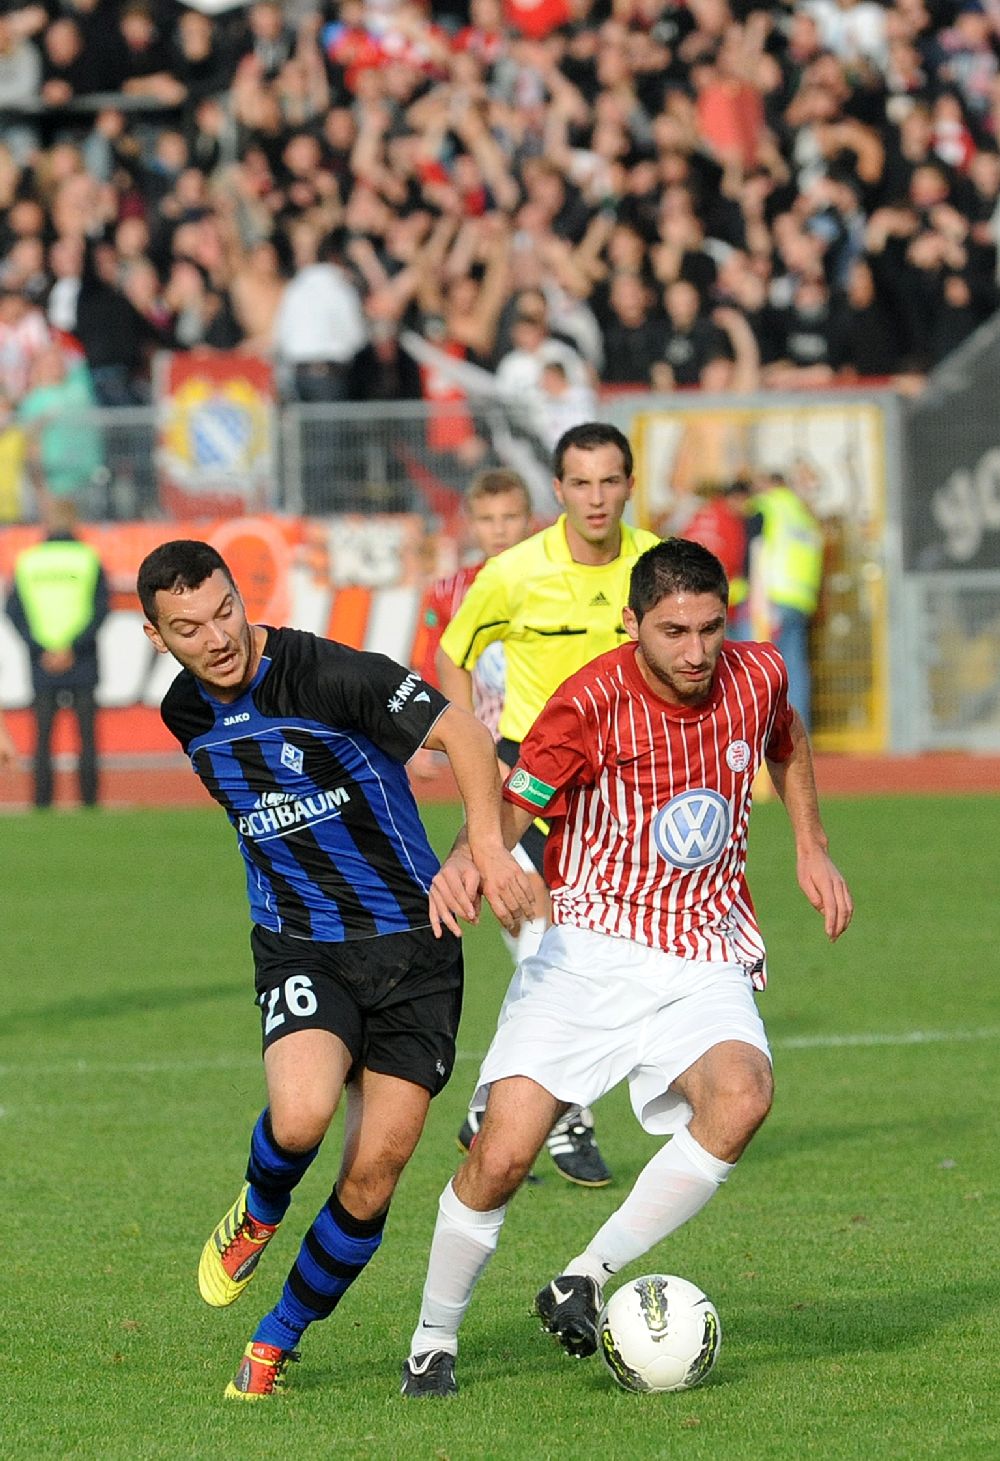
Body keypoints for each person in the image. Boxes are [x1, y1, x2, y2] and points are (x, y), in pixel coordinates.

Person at [401, 537, 853, 1397]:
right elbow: (512, 800)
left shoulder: (755, 675)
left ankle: (584, 1272)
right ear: (632, 622)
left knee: (744, 1094)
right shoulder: (590, 702)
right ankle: (432, 1338)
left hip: (704, 947)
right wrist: (474, 857)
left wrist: (812, 846)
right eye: (673, 630)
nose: (694, 651)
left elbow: (786, 743)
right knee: (499, 1156)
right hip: (588, 954)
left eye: (709, 628)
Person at [135, 538, 533, 1402]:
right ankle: (261, 1205)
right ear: (156, 635)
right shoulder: (184, 713)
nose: (218, 639)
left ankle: (279, 1336)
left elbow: (465, 734)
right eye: (189, 627)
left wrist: (480, 851)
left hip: (416, 948)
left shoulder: (332, 674)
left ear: (246, 598)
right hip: (302, 943)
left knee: (374, 1171)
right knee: (303, 1114)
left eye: (226, 610)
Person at [436, 421, 662, 1188]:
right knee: (548, 950)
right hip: (529, 785)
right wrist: (473, 762)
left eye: (610, 481)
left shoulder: (655, 564)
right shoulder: (514, 572)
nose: (596, 497)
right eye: (582, 482)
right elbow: (453, 653)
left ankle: (487, 1102)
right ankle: (566, 1123)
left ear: (630, 483)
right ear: (558, 491)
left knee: (594, 959)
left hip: (624, 798)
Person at [7, 499, 108, 809]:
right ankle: (90, 802)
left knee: (43, 737)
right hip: (82, 657)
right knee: (87, 737)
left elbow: (14, 610)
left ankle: (42, 802)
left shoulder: (29, 561)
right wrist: (72, 647)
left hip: (42, 659)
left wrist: (40, 647)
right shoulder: (88, 559)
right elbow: (101, 609)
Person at [745, 472, 824, 730]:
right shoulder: (802, 514)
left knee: (760, 665)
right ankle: (798, 731)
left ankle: (762, 731)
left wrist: (755, 594)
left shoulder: (767, 506)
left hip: (771, 597)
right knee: (794, 665)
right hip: (801, 598)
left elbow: (754, 548)